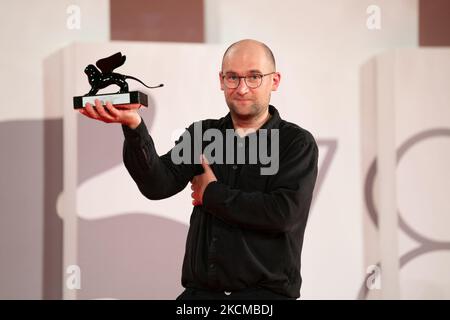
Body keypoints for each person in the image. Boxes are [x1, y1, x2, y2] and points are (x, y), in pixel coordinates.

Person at [78, 39, 318, 300]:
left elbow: (283, 213)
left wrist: (212, 193)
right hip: (200, 298)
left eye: (254, 77)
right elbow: (157, 185)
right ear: (220, 80)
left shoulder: (296, 143)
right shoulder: (202, 134)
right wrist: (134, 126)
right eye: (232, 77)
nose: (242, 88)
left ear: (275, 80)